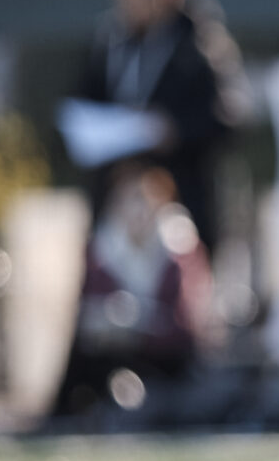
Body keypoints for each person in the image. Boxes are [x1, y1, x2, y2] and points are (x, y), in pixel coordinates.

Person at [70, 0, 250, 252]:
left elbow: (229, 116)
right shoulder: (108, 43)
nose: (134, 1)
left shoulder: (198, 44)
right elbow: (82, 108)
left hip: (181, 206)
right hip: (116, 210)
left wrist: (174, 129)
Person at [49, 162, 214, 422]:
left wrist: (140, 323)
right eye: (128, 200)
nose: (137, 210)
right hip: (114, 355)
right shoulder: (103, 249)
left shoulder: (180, 249)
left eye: (144, 199)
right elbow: (87, 316)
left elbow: (187, 323)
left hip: (167, 360)